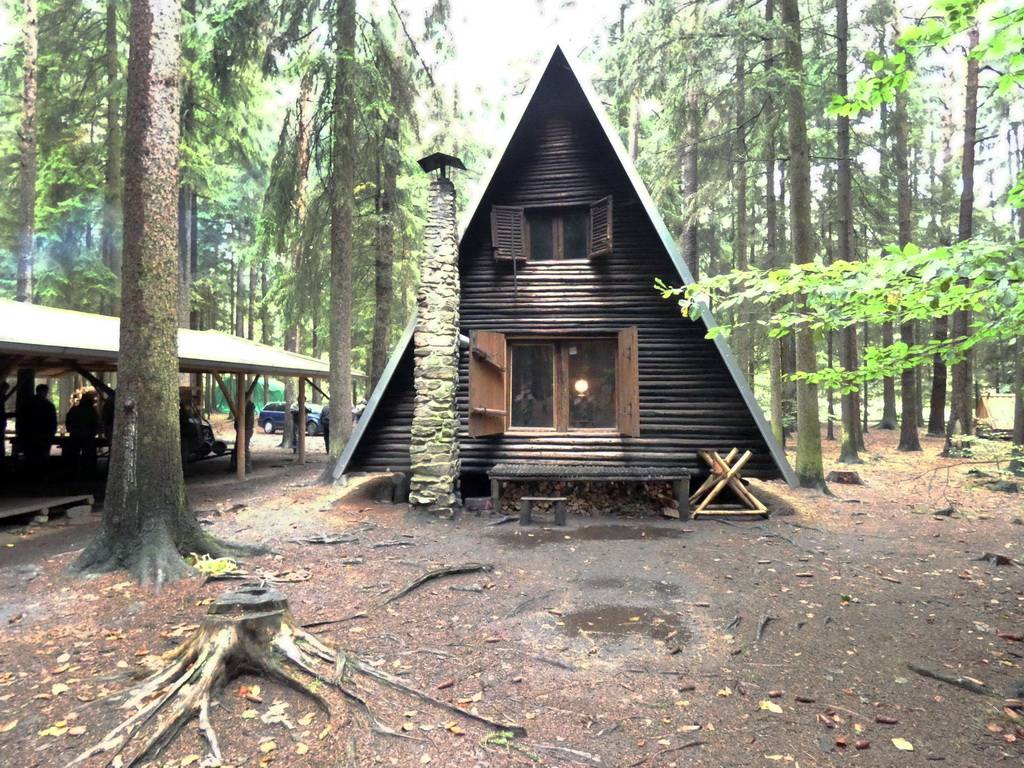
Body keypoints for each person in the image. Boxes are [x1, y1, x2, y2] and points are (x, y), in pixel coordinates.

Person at [25, 384, 57, 476]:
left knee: (31, 455)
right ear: (45, 392)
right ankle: (41, 475)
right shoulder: (48, 405)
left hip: (31, 434)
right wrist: (52, 433)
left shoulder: (28, 404)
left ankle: (30, 475)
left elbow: (23, 420)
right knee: (43, 455)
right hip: (45, 435)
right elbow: (52, 421)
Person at [65, 391, 99, 477]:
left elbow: (68, 422)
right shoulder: (91, 411)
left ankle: (74, 472)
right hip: (88, 436)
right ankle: (88, 473)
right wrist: (94, 432)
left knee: (74, 455)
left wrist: (71, 431)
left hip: (75, 435)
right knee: (89, 456)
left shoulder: (74, 410)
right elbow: (95, 423)